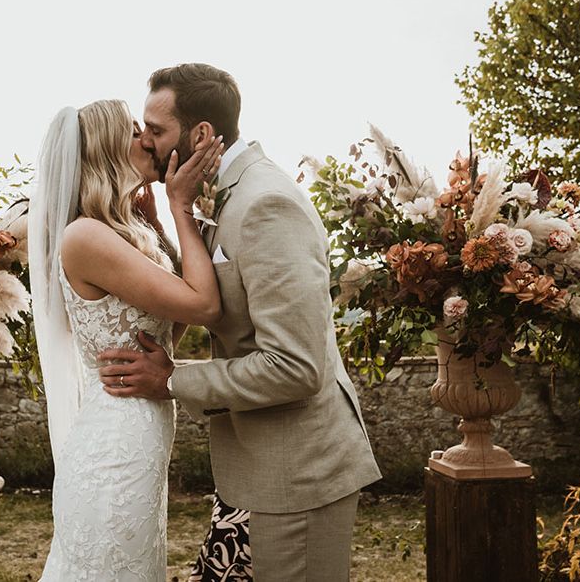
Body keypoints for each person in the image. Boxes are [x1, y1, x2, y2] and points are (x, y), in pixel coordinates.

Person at [98, 63, 382, 581]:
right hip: (254, 467)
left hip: (298, 472)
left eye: (157, 130)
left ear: (202, 134)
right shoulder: (219, 194)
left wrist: (172, 379)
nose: (146, 142)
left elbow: (295, 366)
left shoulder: (266, 203)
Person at [28, 99, 224, 581]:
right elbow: (205, 305)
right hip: (113, 448)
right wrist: (181, 207)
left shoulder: (126, 230)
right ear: (107, 149)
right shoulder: (84, 237)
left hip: (140, 440)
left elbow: (175, 322)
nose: (146, 140)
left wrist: (160, 223)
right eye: (134, 131)